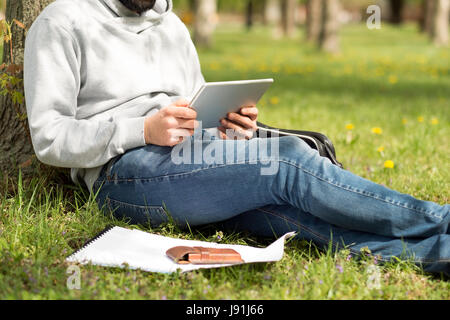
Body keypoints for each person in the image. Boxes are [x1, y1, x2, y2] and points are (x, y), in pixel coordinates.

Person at [24, 0, 449, 274]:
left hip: (192, 160)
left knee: (287, 215)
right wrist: (142, 129)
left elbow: (193, 106)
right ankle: (438, 219)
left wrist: (227, 127)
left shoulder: (170, 24)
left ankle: (436, 254)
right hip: (124, 174)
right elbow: (49, 139)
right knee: (285, 159)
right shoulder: (62, 22)